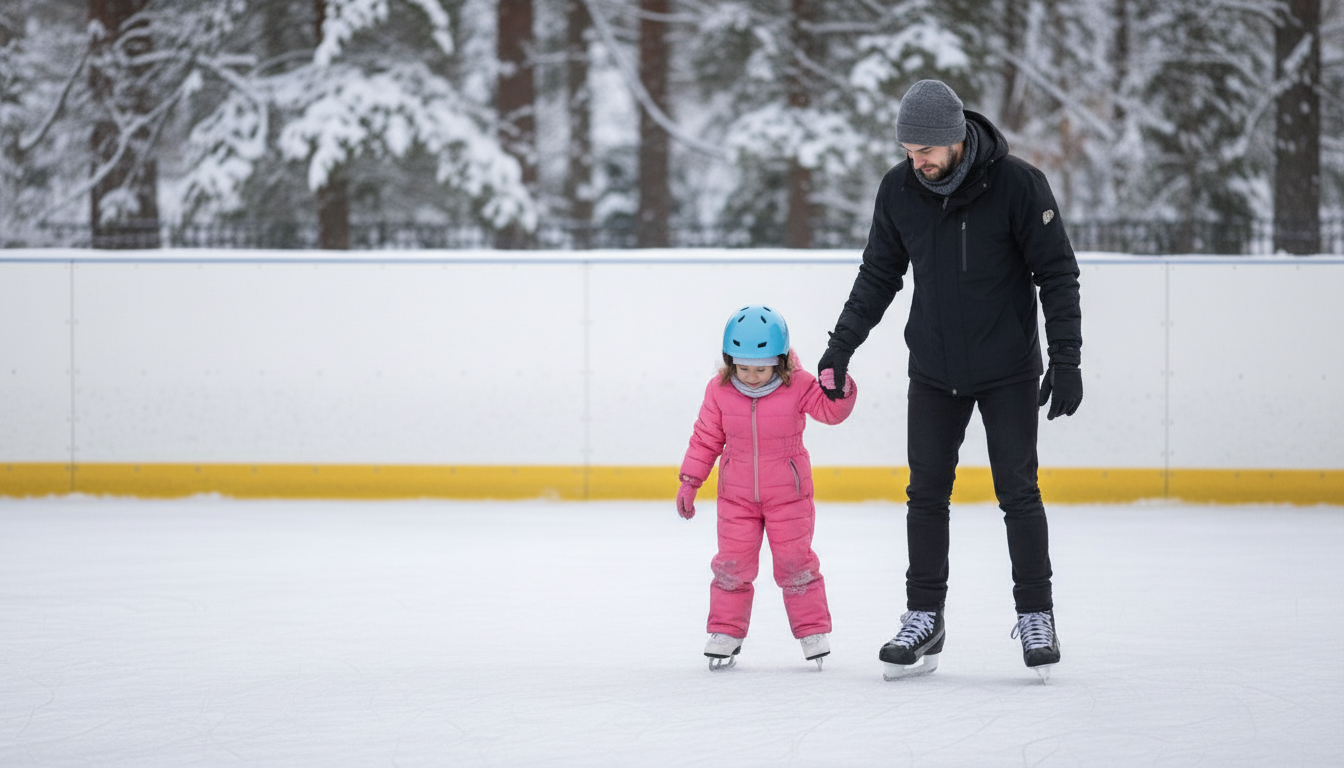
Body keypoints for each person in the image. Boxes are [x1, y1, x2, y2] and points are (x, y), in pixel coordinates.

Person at [816, 80, 1083, 681]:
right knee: (926, 494)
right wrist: (841, 347)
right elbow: (878, 275)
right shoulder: (899, 190)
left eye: (926, 151)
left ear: (957, 138)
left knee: (1019, 493)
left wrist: (1066, 358)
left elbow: (1056, 273)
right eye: (908, 152)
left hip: (1008, 369)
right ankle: (924, 616)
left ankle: (1036, 615)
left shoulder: (1018, 185)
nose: (918, 163)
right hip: (934, 370)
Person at [677, 305, 857, 671]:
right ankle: (725, 632)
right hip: (736, 498)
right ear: (730, 361)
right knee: (732, 564)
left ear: (781, 361)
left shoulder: (799, 385)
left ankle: (812, 632)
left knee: (796, 562)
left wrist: (841, 386)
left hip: (789, 496)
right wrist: (691, 481)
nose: (752, 376)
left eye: (761, 369)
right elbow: (705, 439)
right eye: (743, 368)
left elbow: (831, 412)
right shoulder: (719, 391)